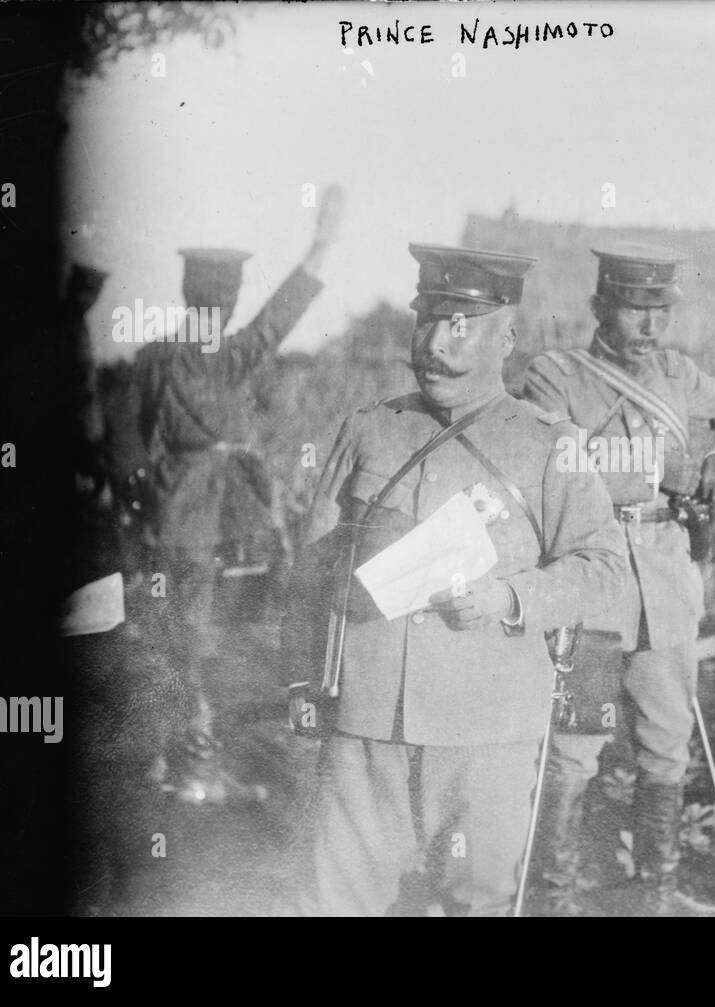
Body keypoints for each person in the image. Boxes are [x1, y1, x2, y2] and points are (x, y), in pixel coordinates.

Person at [280, 244, 628, 916]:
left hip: (487, 731)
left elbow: (604, 566)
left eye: (463, 327)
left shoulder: (547, 444)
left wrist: (510, 596)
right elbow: (313, 563)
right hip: (366, 724)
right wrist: (304, 678)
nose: (438, 344)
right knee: (331, 903)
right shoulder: (369, 430)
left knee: (478, 901)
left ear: (509, 337)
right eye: (429, 321)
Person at [522, 242, 715, 914]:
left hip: (662, 583)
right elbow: (545, 468)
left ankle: (654, 892)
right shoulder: (555, 377)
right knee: (574, 748)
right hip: (591, 583)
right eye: (635, 306)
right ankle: (557, 895)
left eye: (659, 308)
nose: (649, 323)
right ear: (601, 306)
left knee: (666, 743)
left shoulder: (682, 377)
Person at [134, 186, 344, 796]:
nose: (219, 309)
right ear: (197, 298)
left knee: (208, 634)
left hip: (221, 515)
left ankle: (187, 751)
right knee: (193, 637)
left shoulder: (193, 354)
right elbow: (126, 446)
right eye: (215, 297)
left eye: (223, 299)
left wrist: (321, 246)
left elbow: (276, 321)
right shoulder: (183, 358)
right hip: (194, 518)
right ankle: (190, 759)